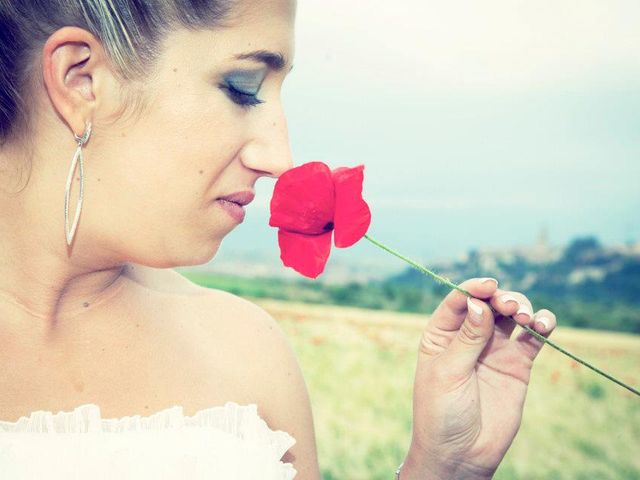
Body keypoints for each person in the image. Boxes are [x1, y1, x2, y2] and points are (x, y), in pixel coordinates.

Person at [0, 0, 557, 478]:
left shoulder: (249, 350)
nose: (279, 158)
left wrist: (442, 468)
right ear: (80, 79)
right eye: (243, 88)